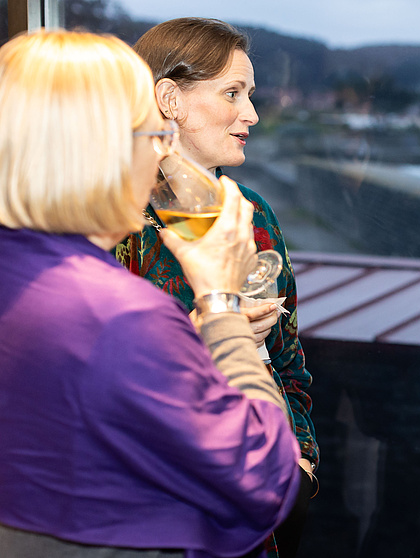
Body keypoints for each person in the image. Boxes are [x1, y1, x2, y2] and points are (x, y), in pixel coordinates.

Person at [0, 29, 301, 556]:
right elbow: (264, 480)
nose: (161, 150)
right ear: (96, 148)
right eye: (149, 133)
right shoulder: (119, 315)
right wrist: (221, 306)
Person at [113, 18, 317, 557]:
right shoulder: (110, 223)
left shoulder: (253, 214)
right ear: (169, 99)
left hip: (254, 508)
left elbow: (288, 356)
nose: (251, 113)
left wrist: (301, 460)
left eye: (250, 94)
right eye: (232, 93)